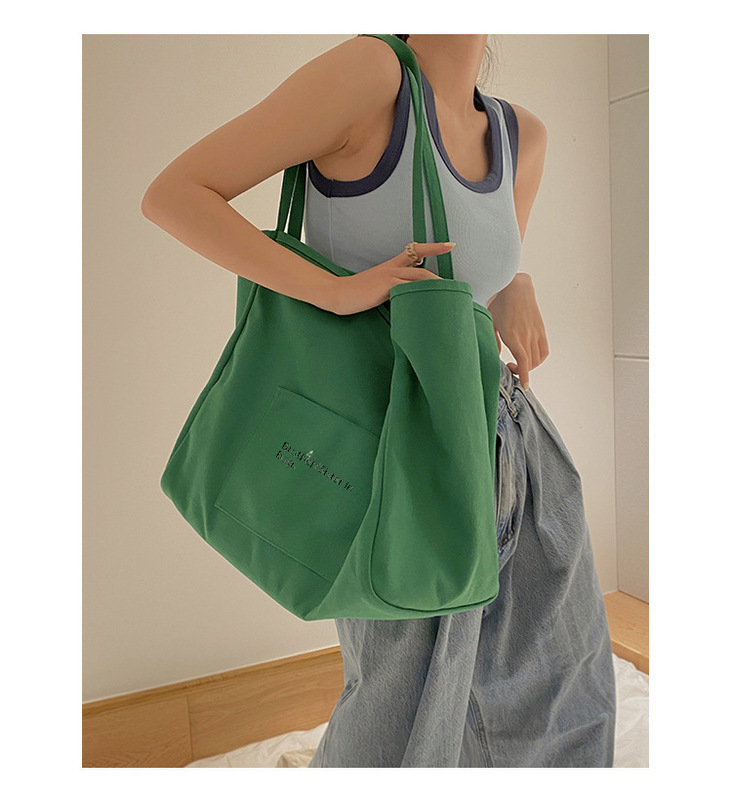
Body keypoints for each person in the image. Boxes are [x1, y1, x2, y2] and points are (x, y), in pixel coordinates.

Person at [141, 33, 617, 768]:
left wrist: (518, 285)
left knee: (565, 694)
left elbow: (481, 273)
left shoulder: (523, 134)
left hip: (516, 438)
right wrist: (334, 292)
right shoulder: (370, 74)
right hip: (404, 448)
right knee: (406, 718)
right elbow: (174, 195)